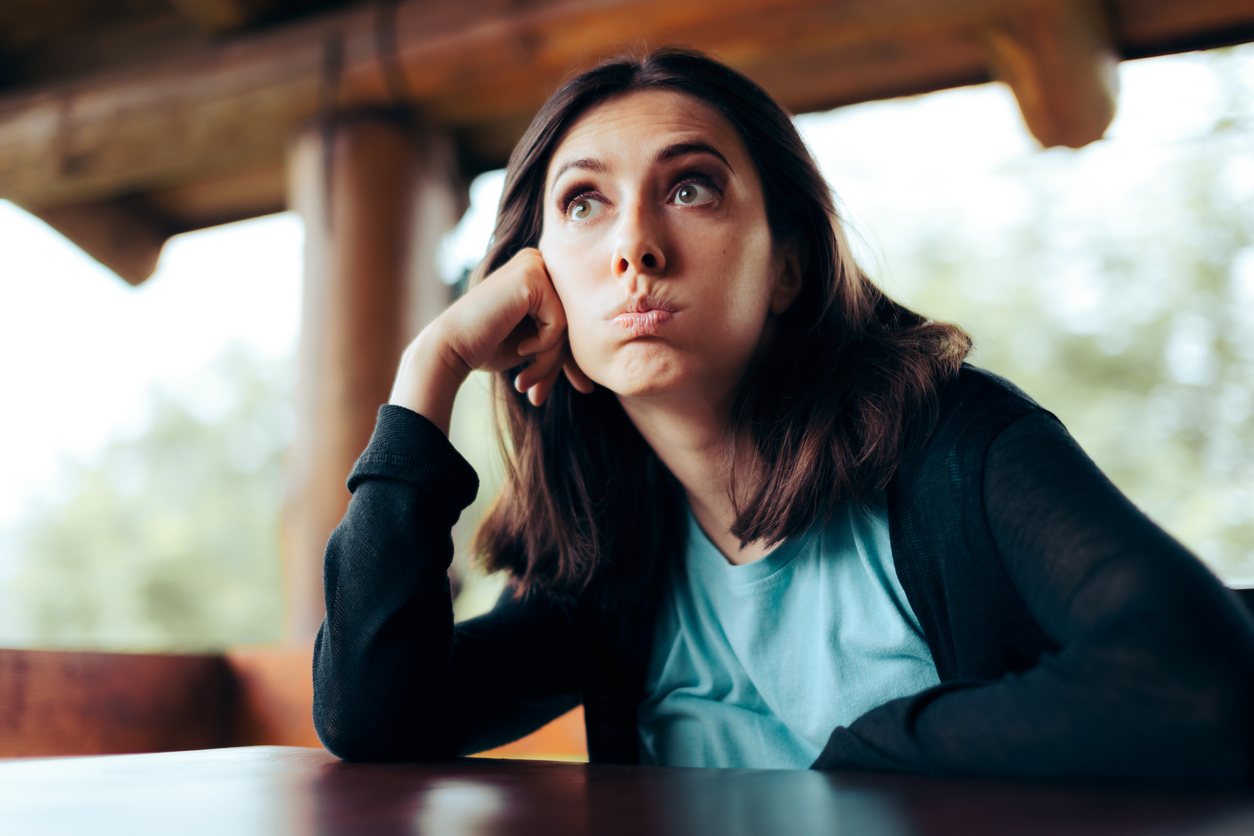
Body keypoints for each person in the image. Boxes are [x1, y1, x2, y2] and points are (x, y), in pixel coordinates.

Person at [312, 47, 1254, 787]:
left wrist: (872, 750)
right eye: (585, 203)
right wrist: (426, 371)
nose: (636, 245)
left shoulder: (957, 443)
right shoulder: (611, 555)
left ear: (789, 267)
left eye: (690, 187)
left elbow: (1199, 676)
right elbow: (377, 721)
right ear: (538, 288)